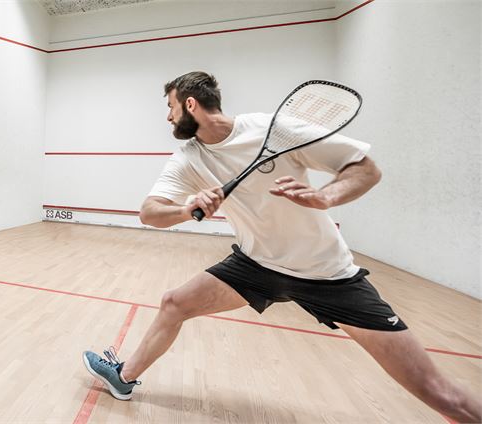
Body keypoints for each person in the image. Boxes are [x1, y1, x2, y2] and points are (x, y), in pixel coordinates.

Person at [82, 71, 481, 422]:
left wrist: (327, 197)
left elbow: (364, 169)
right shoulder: (190, 157)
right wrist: (187, 209)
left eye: (170, 107)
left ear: (190, 104)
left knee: (436, 391)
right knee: (174, 303)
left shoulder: (276, 129)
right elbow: (150, 212)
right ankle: (124, 377)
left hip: (328, 276)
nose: (168, 117)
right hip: (256, 266)